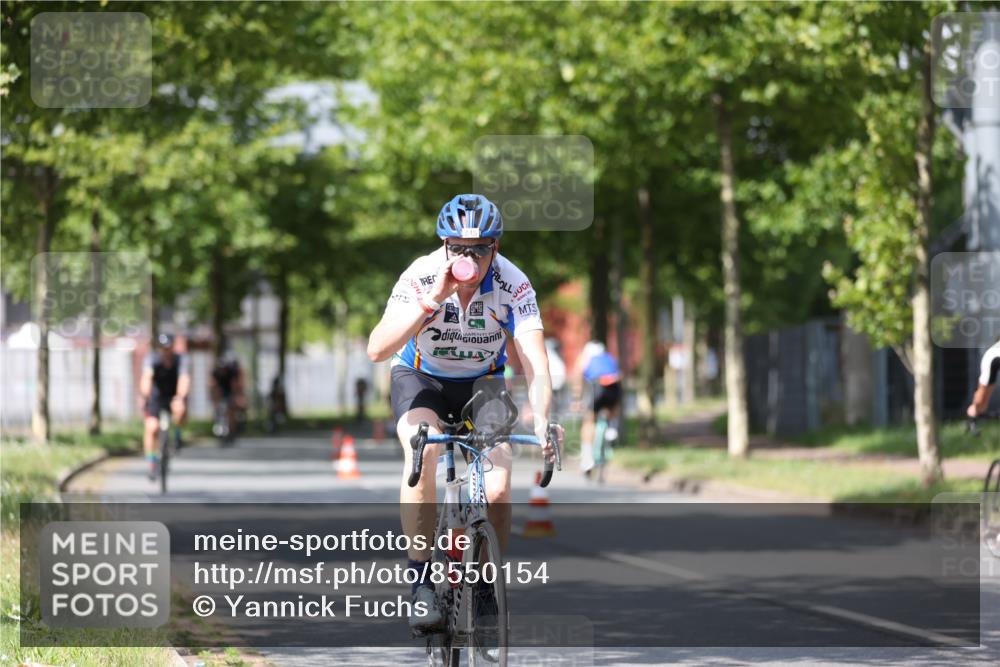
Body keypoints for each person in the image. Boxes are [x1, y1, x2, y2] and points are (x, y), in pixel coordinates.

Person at [366, 194, 561, 630]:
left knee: (499, 485)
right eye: (457, 248)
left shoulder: (513, 283)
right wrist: (431, 301)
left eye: (479, 249)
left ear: (496, 248)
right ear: (445, 246)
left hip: (483, 384)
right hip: (421, 379)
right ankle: (421, 584)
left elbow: (536, 362)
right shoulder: (421, 275)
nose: (467, 259)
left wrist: (544, 418)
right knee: (423, 454)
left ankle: (487, 582)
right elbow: (377, 349)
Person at [139, 334, 191, 480]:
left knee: (180, 411)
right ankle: (152, 463)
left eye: (168, 347)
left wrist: (180, 398)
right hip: (156, 397)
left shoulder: (181, 359)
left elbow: (184, 379)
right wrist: (145, 395)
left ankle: (178, 435)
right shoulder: (152, 359)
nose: (166, 351)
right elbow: (146, 378)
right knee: (152, 428)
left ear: (173, 347)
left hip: (174, 395)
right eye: (163, 348)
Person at [575, 340, 622, 475]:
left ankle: (587, 458)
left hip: (598, 386)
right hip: (614, 387)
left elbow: (579, 376)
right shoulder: (609, 358)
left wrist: (577, 399)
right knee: (613, 408)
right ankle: (612, 429)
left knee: (589, 421)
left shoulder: (586, 358)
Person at [210, 351, 245, 438]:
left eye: (224, 368)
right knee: (218, 408)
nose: (222, 370)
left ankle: (232, 430)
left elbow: (235, 385)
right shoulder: (215, 373)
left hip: (229, 391)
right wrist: (214, 398)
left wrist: (236, 396)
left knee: (231, 410)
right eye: (221, 368)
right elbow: (213, 385)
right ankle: (218, 424)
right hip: (220, 391)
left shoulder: (231, 372)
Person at [967, 337, 1000, 418]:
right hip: (990, 360)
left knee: (983, 405)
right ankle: (972, 413)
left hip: (995, 360)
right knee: (982, 398)